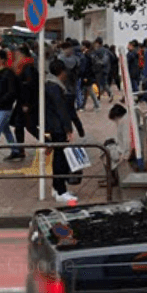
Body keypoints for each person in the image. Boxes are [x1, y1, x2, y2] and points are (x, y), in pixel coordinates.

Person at [37, 59, 85, 205]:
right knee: (60, 159)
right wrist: (68, 129)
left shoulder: (49, 85)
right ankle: (60, 190)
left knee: (59, 157)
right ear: (61, 72)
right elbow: (61, 109)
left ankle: (58, 188)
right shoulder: (54, 87)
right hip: (57, 128)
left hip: (52, 127)